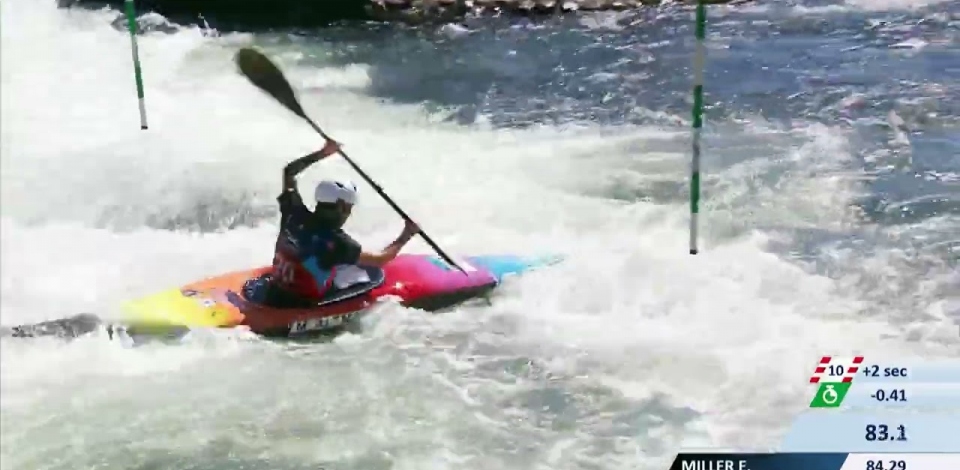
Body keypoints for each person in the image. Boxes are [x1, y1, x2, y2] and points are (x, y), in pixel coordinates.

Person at [262, 140, 420, 308]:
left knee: (324, 263)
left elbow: (289, 172)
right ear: (343, 206)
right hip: (302, 304)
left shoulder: (293, 213)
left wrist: (323, 153)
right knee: (357, 273)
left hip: (274, 293)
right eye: (349, 208)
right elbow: (380, 260)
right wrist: (406, 235)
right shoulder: (339, 243)